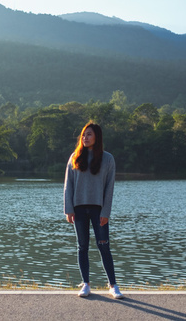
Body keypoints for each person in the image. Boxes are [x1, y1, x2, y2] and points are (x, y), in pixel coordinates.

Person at [63, 122, 124, 299]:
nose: (85, 138)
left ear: (97, 137)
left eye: (89, 134)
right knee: (82, 246)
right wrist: (69, 210)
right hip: (79, 209)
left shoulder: (107, 159)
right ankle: (86, 284)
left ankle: (113, 285)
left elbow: (109, 188)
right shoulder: (75, 157)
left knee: (104, 246)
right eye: (83, 135)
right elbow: (68, 186)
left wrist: (106, 212)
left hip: (99, 210)